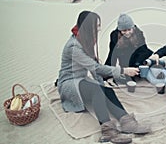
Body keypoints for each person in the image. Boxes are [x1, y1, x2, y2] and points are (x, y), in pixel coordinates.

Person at [57, 11, 150, 143]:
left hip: (81, 79)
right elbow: (95, 68)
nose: (100, 28)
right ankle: (108, 131)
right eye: (97, 25)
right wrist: (123, 71)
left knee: (107, 90)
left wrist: (101, 84)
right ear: (89, 27)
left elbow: (94, 68)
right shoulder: (74, 46)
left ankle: (127, 122)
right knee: (97, 91)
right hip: (69, 83)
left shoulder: (85, 39)